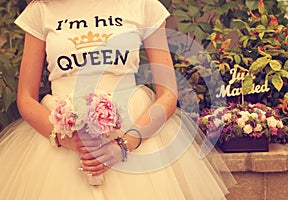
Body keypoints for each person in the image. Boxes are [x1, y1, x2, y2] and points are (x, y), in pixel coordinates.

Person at [0, 0, 236, 199]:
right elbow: (26, 98)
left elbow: (167, 93)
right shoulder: (42, 9)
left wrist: (123, 145)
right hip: (62, 138)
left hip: (133, 131)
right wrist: (66, 138)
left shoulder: (142, 5)